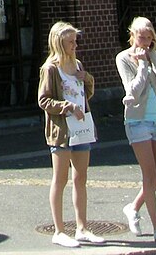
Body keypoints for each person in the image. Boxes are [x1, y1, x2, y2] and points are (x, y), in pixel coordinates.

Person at [38, 21, 104, 247]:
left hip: (81, 127)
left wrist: (87, 79)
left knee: (81, 177)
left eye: (75, 41)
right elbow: (43, 100)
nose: (75, 45)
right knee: (61, 178)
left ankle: (82, 227)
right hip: (62, 131)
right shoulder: (50, 69)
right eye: (70, 42)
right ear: (59, 43)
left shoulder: (76, 64)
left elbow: (86, 93)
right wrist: (66, 107)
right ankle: (59, 230)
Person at [117, 16, 156, 244]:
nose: (144, 42)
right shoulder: (123, 58)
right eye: (140, 37)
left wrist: (154, 58)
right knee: (149, 175)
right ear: (132, 35)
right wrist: (141, 65)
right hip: (137, 121)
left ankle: (133, 208)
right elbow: (132, 88)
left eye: (148, 37)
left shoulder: (155, 54)